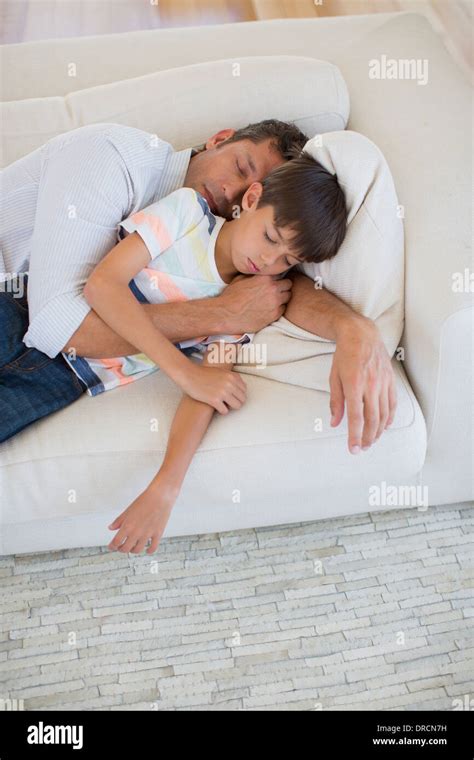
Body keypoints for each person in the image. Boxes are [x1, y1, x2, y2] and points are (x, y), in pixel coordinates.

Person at [0, 119, 396, 451]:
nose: (233, 196)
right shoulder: (114, 159)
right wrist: (219, 315)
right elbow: (58, 326)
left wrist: (354, 328)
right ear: (220, 139)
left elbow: (281, 289)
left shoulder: (239, 248)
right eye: (241, 168)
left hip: (57, 374)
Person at [79, 152, 347, 554]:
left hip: (69, 379)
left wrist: (166, 486)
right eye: (270, 238)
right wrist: (184, 372)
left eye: (287, 261)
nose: (267, 261)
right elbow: (102, 285)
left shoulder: (246, 302)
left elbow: (206, 393)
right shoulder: (189, 212)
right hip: (37, 327)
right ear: (252, 199)